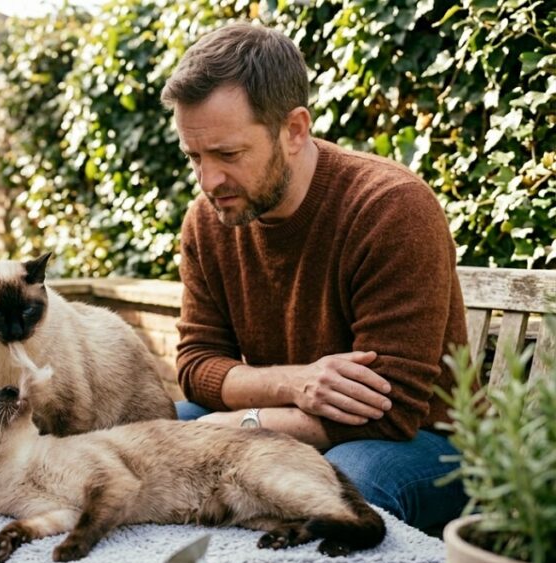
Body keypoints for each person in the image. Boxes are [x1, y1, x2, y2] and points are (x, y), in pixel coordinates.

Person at [161, 22, 468, 531]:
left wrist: (242, 423)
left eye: (228, 155)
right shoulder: (207, 220)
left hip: (424, 443)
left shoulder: (390, 207)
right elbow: (196, 366)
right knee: (148, 436)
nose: (209, 180)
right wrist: (294, 382)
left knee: (334, 487)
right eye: (195, 156)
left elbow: (387, 412)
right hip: (300, 419)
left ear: (295, 129)